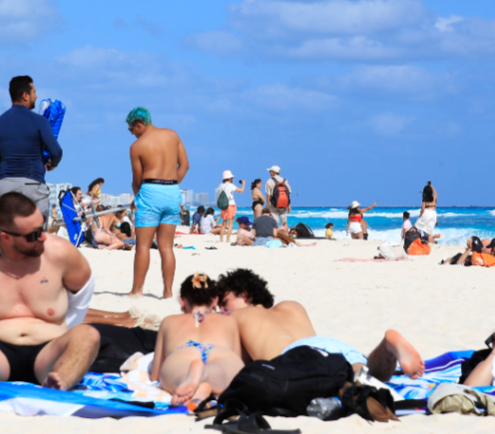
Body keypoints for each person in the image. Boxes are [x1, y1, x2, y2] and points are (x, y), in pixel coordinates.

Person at [0, 191, 103, 388]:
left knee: (88, 335)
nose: (43, 237)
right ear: (6, 237)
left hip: (49, 351)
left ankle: (58, 382)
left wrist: (64, 326)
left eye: (42, 227)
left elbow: (83, 294)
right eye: (34, 235)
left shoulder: (61, 254)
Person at [219, 268, 424, 381]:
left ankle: (380, 356)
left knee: (339, 381)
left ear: (244, 295)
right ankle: (386, 347)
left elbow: (237, 362)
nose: (222, 310)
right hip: (328, 345)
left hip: (294, 356)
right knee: (367, 374)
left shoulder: (237, 317)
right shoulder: (291, 306)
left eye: (224, 303)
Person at [149, 273, 244, 405]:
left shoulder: (169, 321)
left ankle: (187, 379)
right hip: (219, 352)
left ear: (182, 301)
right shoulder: (229, 320)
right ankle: (206, 376)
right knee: (223, 374)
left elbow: (156, 374)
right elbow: (237, 357)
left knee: (179, 376)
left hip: (184, 351)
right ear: (215, 300)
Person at [126, 107, 189, 299]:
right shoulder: (172, 135)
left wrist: (137, 197)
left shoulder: (137, 146)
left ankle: (137, 290)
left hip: (150, 191)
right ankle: (168, 292)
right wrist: (171, 186)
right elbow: (185, 165)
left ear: (138, 124)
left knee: (143, 246)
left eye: (131, 130)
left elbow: (137, 180)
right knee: (166, 247)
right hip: (172, 191)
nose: (132, 134)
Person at [0, 74, 63, 222]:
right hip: (32, 184)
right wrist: (52, 164)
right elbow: (56, 151)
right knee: (35, 238)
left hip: (6, 185)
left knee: (8, 237)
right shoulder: (39, 121)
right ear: (25, 95)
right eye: (34, 92)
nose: (36, 96)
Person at [216, 171, 244, 243]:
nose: (232, 179)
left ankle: (221, 239)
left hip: (224, 205)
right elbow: (241, 191)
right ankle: (227, 239)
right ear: (229, 178)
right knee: (230, 223)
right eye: (231, 178)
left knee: (223, 223)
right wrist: (243, 184)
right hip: (231, 204)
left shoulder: (221, 185)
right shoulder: (231, 185)